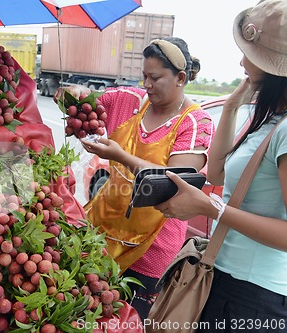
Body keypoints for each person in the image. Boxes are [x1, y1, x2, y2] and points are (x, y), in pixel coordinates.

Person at [53, 37, 214, 319]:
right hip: (101, 231)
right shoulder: (130, 102)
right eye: (144, 76)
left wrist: (122, 157)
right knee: (81, 313)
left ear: (180, 77)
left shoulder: (195, 123)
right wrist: (74, 95)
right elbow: (90, 101)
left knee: (126, 319)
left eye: (155, 78)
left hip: (151, 248)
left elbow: (175, 184)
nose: (147, 85)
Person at [154, 0, 287, 331]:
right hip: (225, 279)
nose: (242, 61)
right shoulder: (268, 118)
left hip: (255, 297)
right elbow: (216, 173)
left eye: (252, 56)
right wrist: (229, 109)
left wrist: (213, 209)